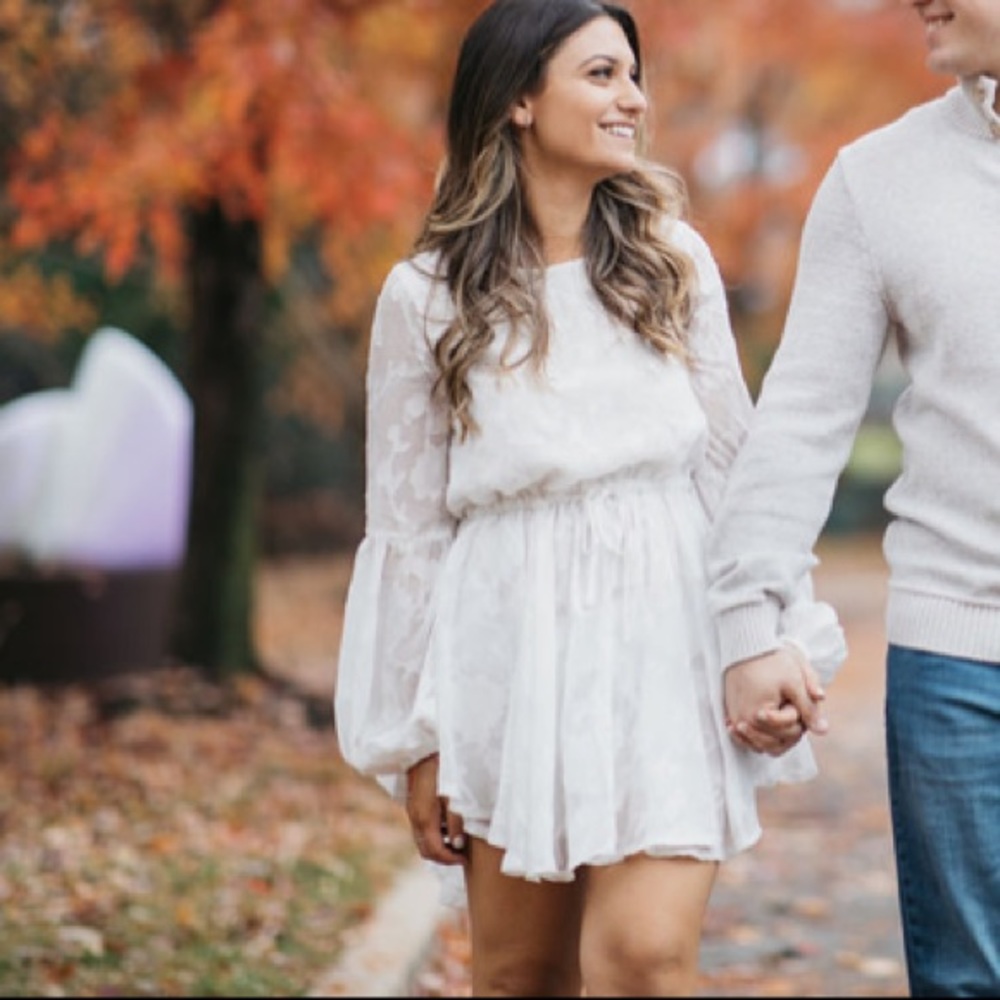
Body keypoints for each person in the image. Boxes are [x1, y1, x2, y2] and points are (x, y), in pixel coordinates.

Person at [333, 1, 844, 995]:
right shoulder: (425, 297)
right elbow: (406, 528)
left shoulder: (671, 262)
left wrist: (774, 632)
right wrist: (417, 740)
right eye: (601, 74)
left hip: (663, 631)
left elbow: (735, 473)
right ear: (519, 97)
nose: (634, 99)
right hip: (506, 650)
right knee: (521, 971)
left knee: (643, 957)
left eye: (632, 75)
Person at [706, 0, 1000, 995]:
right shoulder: (877, 181)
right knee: (968, 980)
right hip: (959, 654)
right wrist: (748, 619)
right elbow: (801, 416)